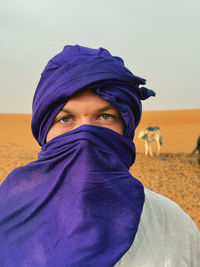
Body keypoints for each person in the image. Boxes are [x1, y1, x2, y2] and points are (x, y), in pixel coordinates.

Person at [0, 45, 199, 267]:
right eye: (66, 119)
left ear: (126, 127)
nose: (85, 136)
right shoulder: (6, 218)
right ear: (45, 132)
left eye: (105, 116)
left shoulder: (173, 226)